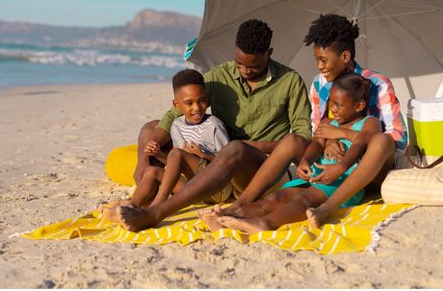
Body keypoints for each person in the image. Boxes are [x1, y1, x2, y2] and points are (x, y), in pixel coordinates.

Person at [116, 18, 311, 231]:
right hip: (219, 167)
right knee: (151, 128)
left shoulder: (290, 81)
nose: (244, 70)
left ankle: (157, 212)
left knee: (235, 148)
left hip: (261, 169)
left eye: (252, 66)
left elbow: (302, 136)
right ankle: (143, 200)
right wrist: (143, 157)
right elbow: (174, 113)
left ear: (269, 53)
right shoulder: (219, 77)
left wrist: (259, 146)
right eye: (239, 64)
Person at [212, 11, 407, 215]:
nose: (319, 67)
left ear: (345, 56)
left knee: (382, 141)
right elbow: (318, 130)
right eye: (317, 60)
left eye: (323, 60)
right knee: (291, 141)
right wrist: (328, 140)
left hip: (369, 168)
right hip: (331, 161)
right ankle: (240, 204)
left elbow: (396, 139)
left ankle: (328, 205)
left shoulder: (378, 83)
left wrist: (341, 135)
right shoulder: (319, 85)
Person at [201, 72, 379, 233]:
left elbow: (362, 142)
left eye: (339, 105)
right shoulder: (328, 123)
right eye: (331, 103)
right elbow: (316, 143)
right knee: (276, 197)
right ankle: (230, 215)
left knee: (303, 201)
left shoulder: (369, 123)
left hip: (340, 181)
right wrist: (305, 161)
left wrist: (339, 140)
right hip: (316, 175)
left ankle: (265, 223)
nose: (333, 109)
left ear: (359, 106)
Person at [101, 69, 228, 220]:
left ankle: (156, 207)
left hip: (216, 189)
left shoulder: (214, 125)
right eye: (189, 103)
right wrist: (158, 154)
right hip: (190, 189)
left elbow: (227, 162)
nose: (197, 107)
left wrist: (203, 154)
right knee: (152, 171)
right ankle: (132, 205)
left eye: (202, 101)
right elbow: (176, 162)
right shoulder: (177, 125)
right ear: (177, 105)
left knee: (176, 153)